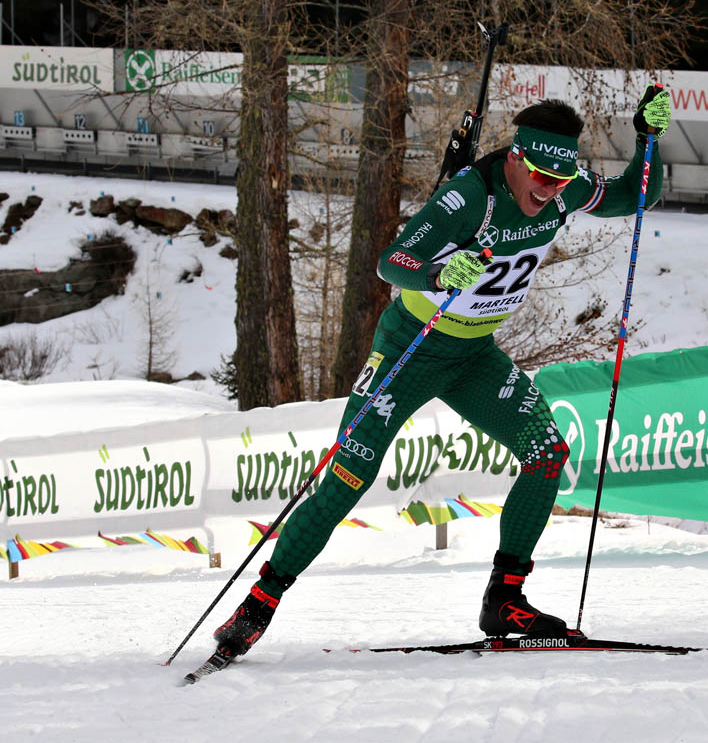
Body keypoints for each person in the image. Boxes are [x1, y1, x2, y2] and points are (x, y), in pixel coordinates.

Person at [212, 84, 672, 657]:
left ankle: (505, 599)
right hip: (411, 349)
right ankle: (261, 601)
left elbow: (636, 195)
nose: (547, 191)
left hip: (474, 356)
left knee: (546, 452)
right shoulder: (468, 197)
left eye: (559, 181)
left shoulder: (562, 189)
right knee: (349, 474)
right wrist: (436, 273)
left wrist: (648, 139)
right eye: (538, 177)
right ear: (515, 157)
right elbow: (392, 263)